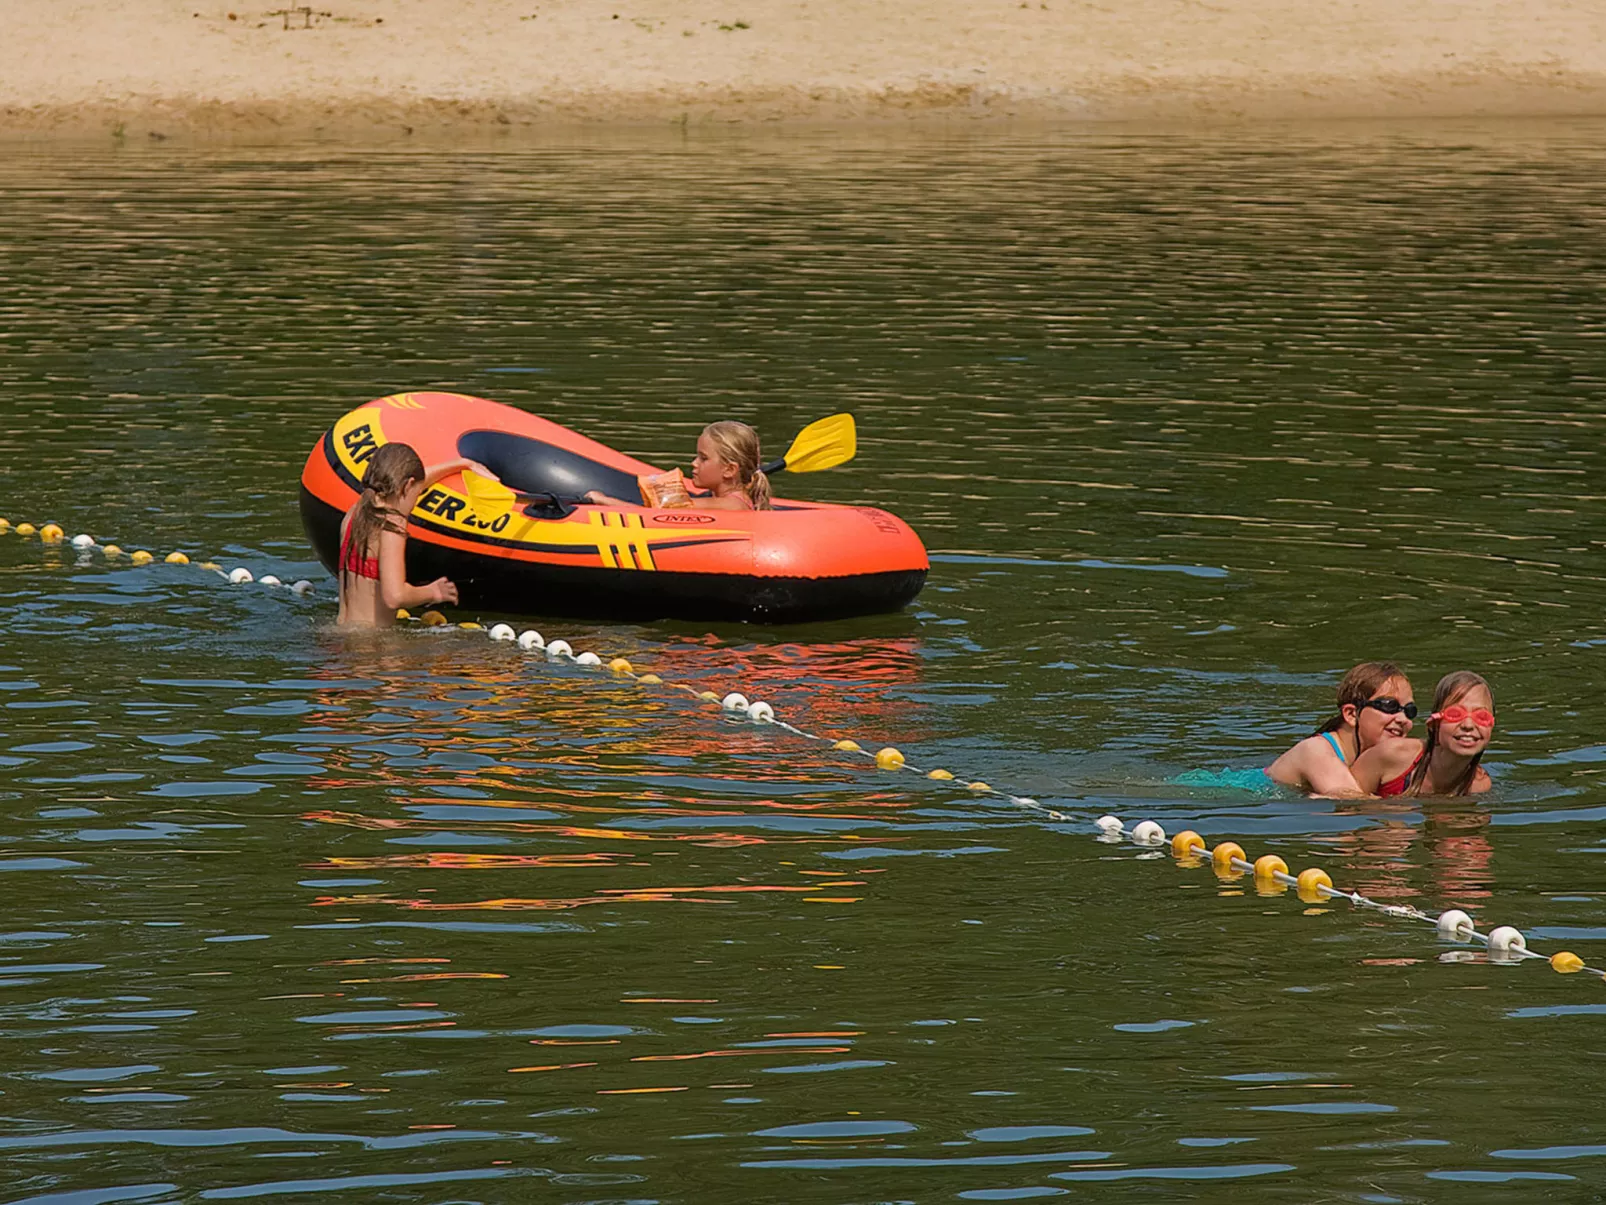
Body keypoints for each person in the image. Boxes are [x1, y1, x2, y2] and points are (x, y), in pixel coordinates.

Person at [335, 443, 496, 628]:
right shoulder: (392, 524)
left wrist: (462, 464)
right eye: (418, 493)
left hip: (342, 639)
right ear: (407, 485)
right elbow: (394, 597)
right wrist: (433, 591)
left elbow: (411, 481)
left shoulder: (355, 512)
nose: (414, 503)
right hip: (374, 650)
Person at [1265, 661, 1417, 795]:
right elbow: (1352, 801)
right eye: (1389, 706)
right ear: (1351, 714)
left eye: (1410, 711)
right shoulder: (1314, 750)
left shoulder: (1380, 760)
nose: (1404, 720)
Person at [1349, 671, 1494, 797]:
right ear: (1434, 725)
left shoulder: (1478, 785)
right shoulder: (1391, 755)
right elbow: (1345, 803)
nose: (1468, 725)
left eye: (1482, 717)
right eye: (1454, 714)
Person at [585, 421, 774, 512]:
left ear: (729, 470)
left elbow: (652, 516)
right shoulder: (727, 500)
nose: (694, 463)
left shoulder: (729, 505)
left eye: (703, 458)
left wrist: (602, 500)